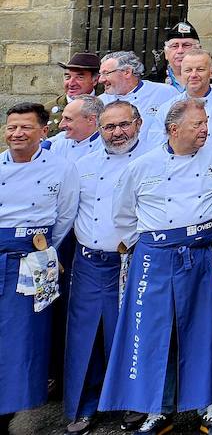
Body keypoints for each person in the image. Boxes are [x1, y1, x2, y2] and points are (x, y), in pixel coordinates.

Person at [98, 97, 212, 435]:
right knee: (156, 334)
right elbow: (123, 216)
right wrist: (157, 244)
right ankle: (157, 408)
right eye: (198, 124)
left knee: (204, 330)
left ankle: (209, 405)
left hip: (202, 255)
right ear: (174, 129)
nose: (205, 129)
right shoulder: (141, 167)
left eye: (206, 122)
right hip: (156, 258)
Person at [63, 100, 152, 434]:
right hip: (89, 263)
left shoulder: (152, 160)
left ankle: (133, 402)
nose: (117, 133)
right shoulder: (81, 164)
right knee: (84, 336)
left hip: (132, 261)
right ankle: (84, 407)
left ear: (139, 123)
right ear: (98, 128)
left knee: (129, 332)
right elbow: (66, 212)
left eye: (124, 125)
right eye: (109, 127)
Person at [0, 103, 79, 435]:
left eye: (25, 128)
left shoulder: (61, 168)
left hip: (33, 259)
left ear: (44, 131)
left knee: (24, 339)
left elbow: (65, 217)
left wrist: (41, 249)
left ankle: (11, 411)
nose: (17, 133)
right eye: (12, 127)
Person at [99, 50, 178, 141]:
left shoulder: (165, 93)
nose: (101, 80)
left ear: (127, 72)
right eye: (101, 74)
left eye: (106, 73)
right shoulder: (101, 102)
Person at [152, 21, 212, 93]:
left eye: (186, 45)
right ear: (166, 53)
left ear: (198, 50)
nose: (180, 51)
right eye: (175, 46)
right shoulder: (154, 80)